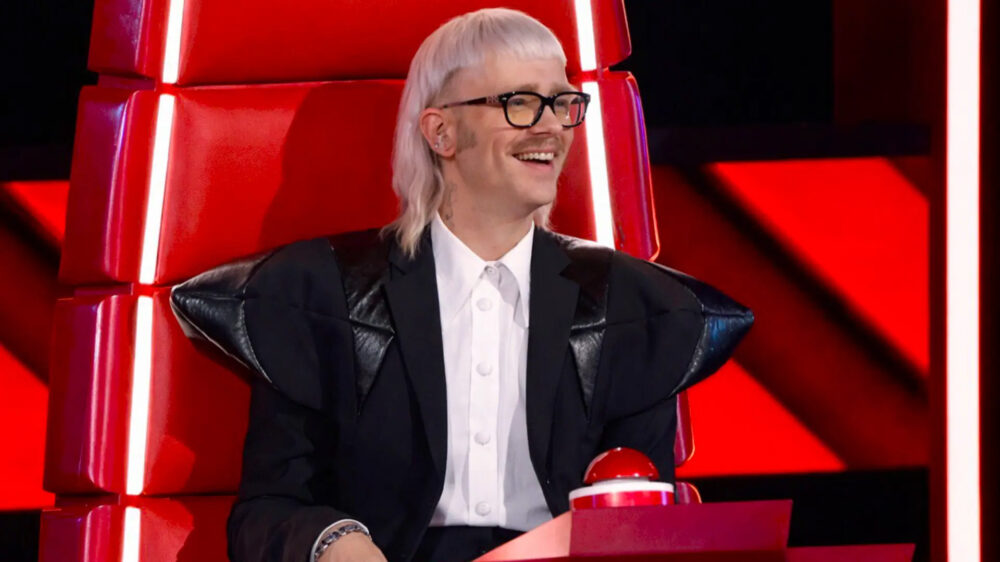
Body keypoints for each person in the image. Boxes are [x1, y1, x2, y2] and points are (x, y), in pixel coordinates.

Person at [170, 8, 752, 562]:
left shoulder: (633, 306)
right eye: (520, 103)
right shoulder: (321, 296)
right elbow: (268, 512)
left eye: (563, 103)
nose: (552, 126)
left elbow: (641, 514)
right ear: (441, 132)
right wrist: (334, 542)